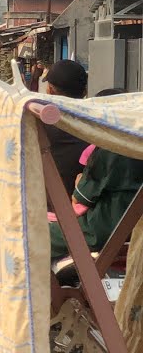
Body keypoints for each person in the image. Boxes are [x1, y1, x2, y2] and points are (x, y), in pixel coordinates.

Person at [51, 88, 143, 261]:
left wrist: (79, 183)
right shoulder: (135, 143)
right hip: (132, 232)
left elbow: (80, 199)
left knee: (38, 234)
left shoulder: (110, 149)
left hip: (101, 231)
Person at [43, 60, 91, 197]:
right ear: (85, 91)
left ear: (50, 90)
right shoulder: (97, 124)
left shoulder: (41, 123)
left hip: (47, 205)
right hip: (84, 202)